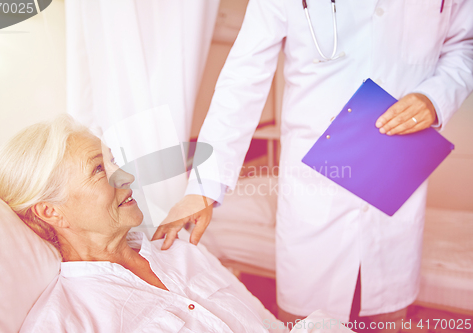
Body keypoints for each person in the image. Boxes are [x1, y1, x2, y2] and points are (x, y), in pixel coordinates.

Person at [153, 0, 473, 331]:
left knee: (387, 319)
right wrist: (204, 187)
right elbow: (243, 79)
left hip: (395, 188)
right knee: (308, 322)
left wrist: (435, 98)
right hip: (316, 197)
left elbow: (465, 46)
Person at [0, 115, 294, 333]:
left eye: (114, 162)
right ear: (50, 212)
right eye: (98, 169)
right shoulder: (68, 321)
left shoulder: (179, 249)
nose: (127, 177)